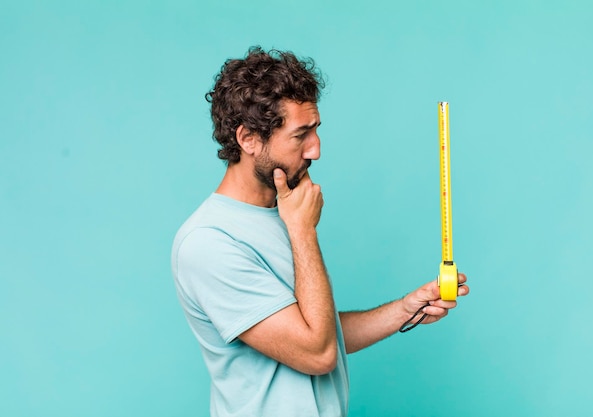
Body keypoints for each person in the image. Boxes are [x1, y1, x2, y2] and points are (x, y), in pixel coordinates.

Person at [171, 46, 469, 417]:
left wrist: (404, 310)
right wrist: (302, 231)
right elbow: (318, 353)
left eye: (316, 130)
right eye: (301, 135)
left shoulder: (283, 211)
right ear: (248, 139)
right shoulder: (209, 242)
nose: (316, 150)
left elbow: (317, 329)